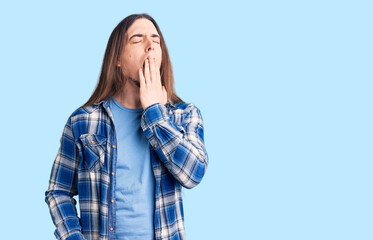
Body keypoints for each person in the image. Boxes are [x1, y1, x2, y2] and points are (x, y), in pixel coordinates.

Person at [44, 13, 209, 240]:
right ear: (117, 59)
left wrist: (155, 113)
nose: (150, 46)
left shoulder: (184, 115)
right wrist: (73, 236)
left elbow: (193, 174)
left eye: (156, 40)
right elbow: (58, 191)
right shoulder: (82, 121)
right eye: (137, 39)